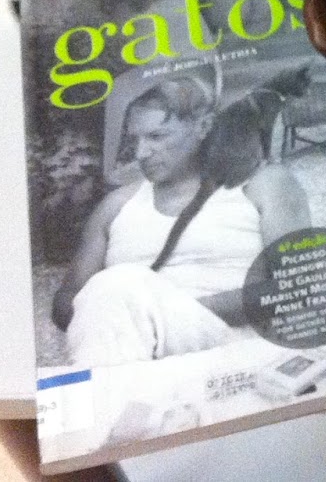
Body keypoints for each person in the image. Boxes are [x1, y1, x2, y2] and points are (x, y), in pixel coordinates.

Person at [53, 77, 310, 368]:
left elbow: (299, 286)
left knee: (118, 283)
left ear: (203, 127)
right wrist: (115, 316)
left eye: (156, 136)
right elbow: (65, 299)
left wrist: (167, 314)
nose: (140, 153)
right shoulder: (117, 205)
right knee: (113, 289)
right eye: (134, 140)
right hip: (134, 351)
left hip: (232, 348)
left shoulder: (262, 184)